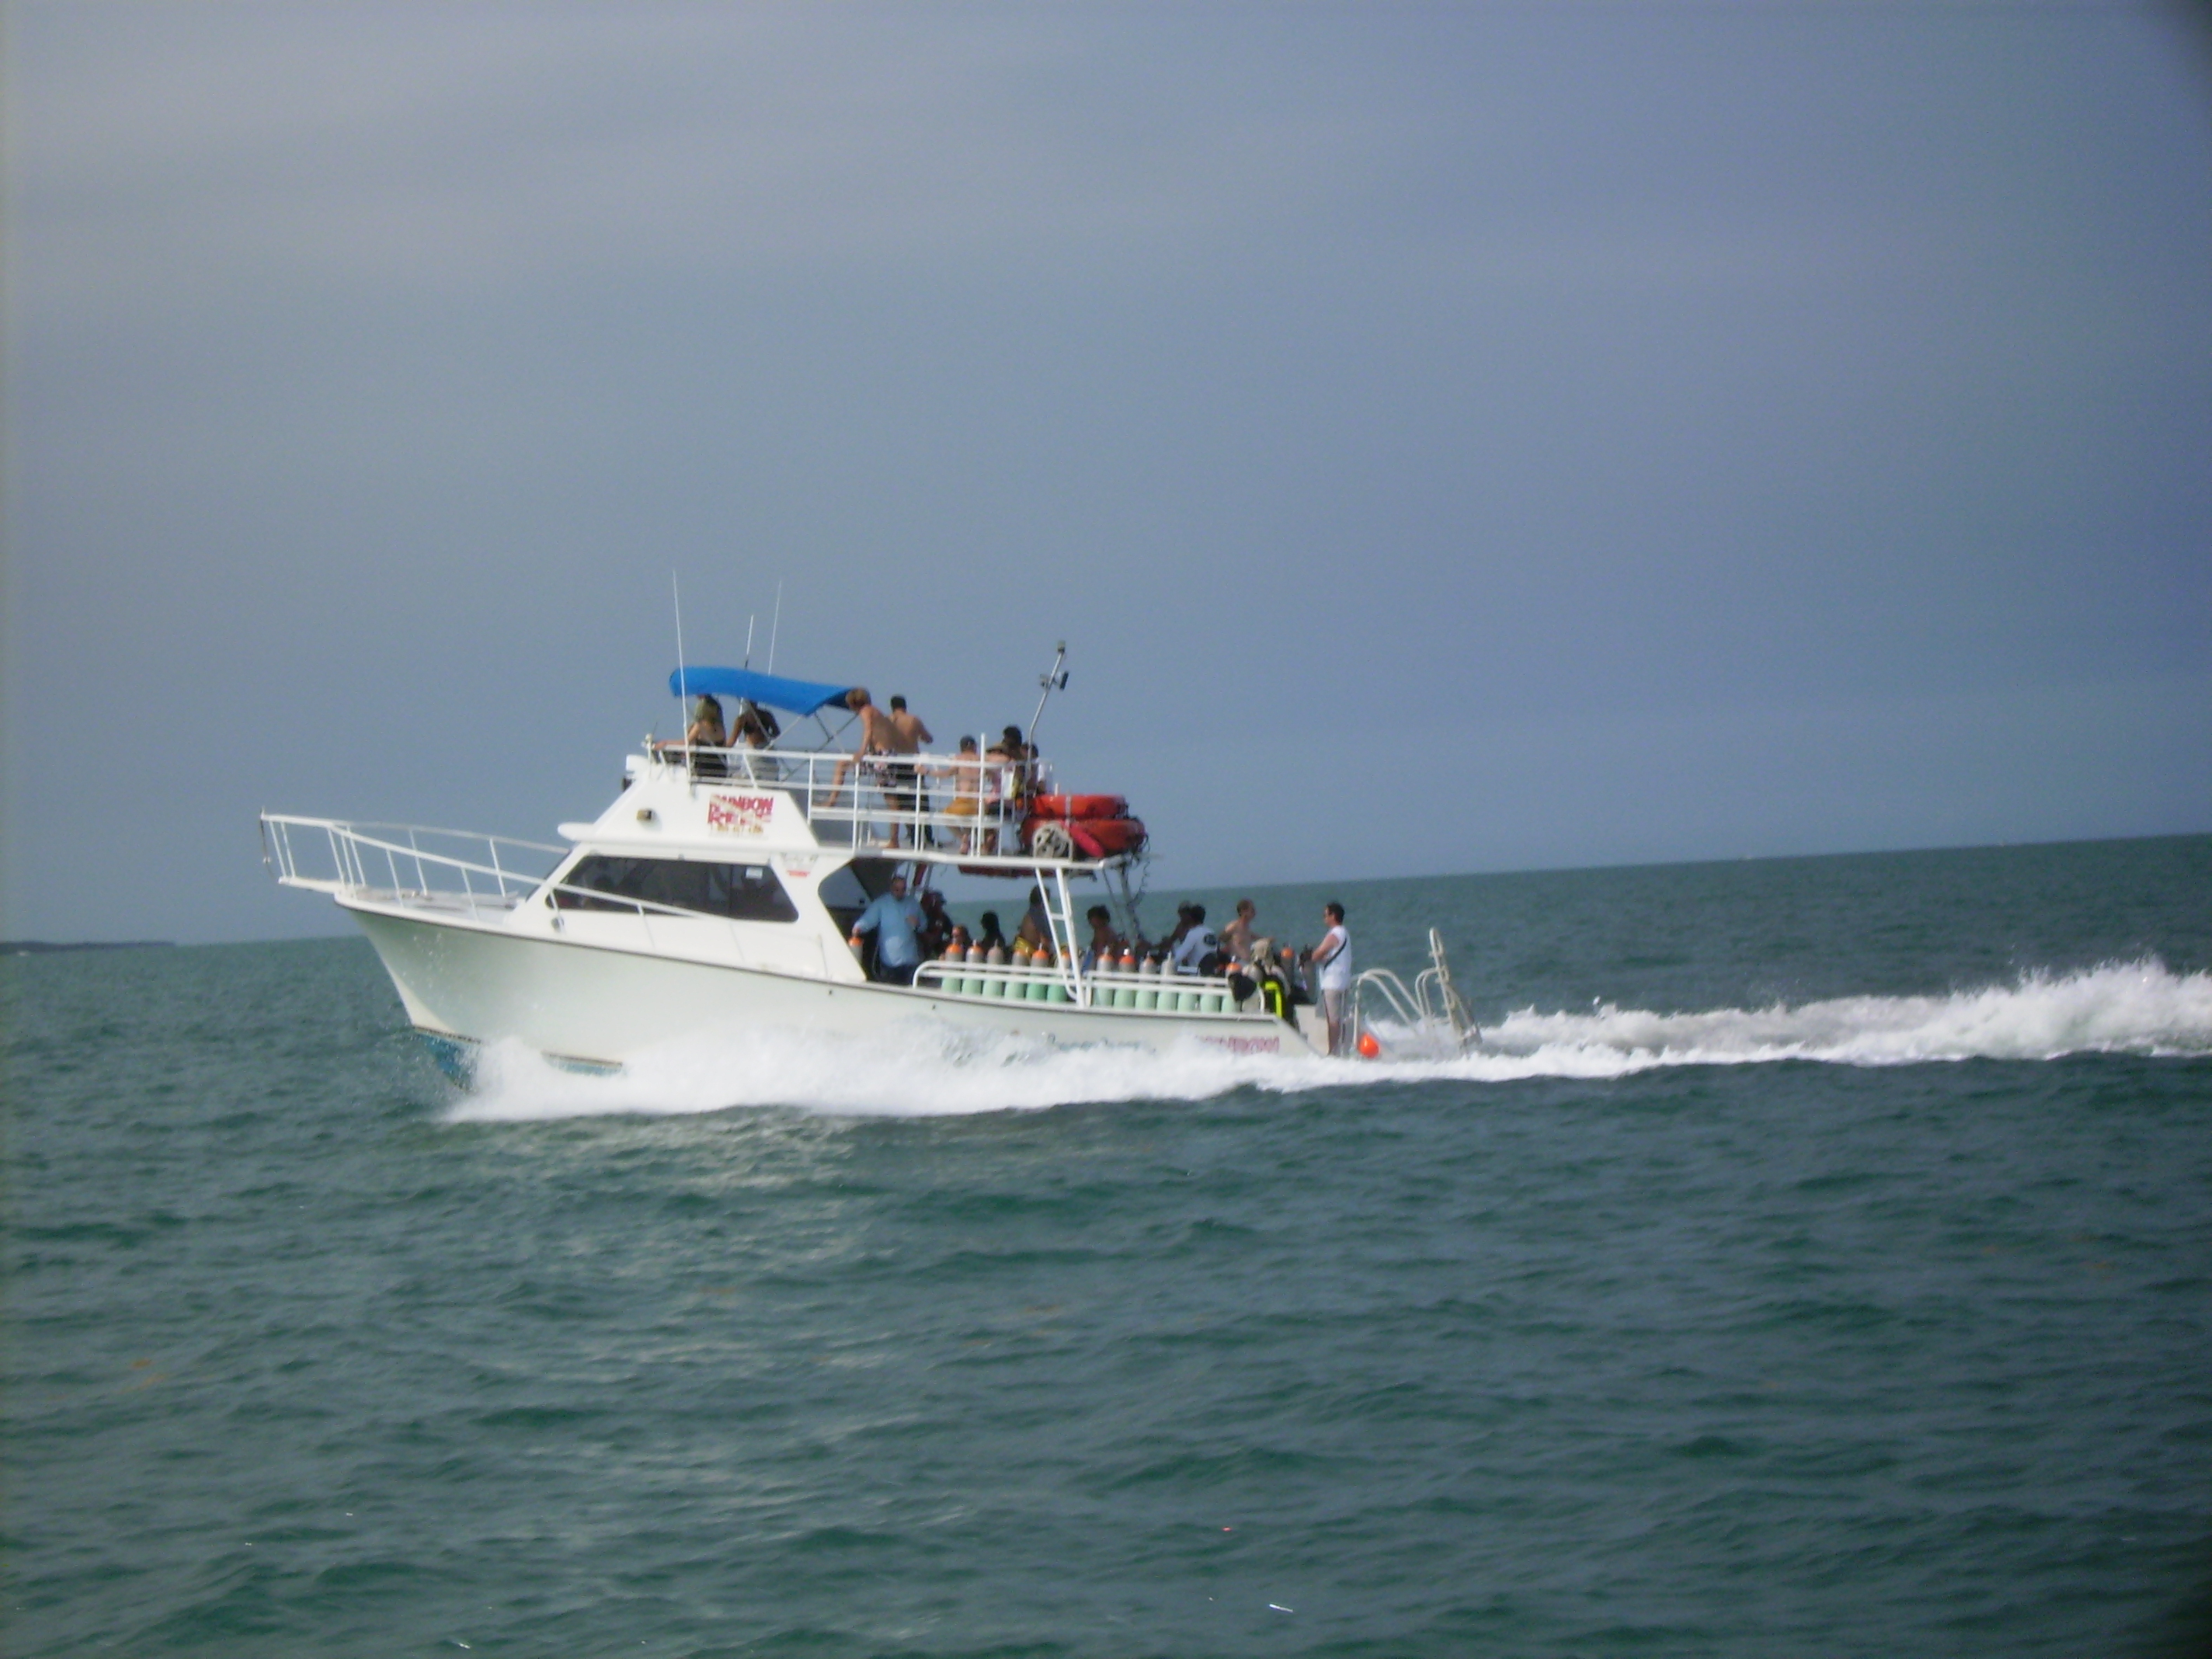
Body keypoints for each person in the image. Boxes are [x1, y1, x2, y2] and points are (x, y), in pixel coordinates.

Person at [847, 872, 923, 986]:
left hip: (910, 962)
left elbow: (924, 925)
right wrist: (858, 927)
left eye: (903, 889)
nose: (900, 893)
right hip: (889, 963)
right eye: (897, 889)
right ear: (891, 888)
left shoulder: (913, 903)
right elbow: (869, 920)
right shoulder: (881, 903)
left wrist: (918, 923)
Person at [1307, 901, 1352, 1055]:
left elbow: (1317, 955)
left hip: (1332, 984)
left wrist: (1313, 955)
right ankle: (1344, 1049)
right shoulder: (1345, 933)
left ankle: (1333, 1052)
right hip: (1344, 982)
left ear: (1333, 916)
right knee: (1341, 1019)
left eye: (1325, 915)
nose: (1324, 919)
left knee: (1333, 1022)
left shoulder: (1334, 934)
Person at [1170, 903, 1218, 976]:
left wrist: (1171, 950)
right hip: (1211, 975)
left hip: (1197, 976)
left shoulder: (1193, 933)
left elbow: (1178, 957)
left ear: (1191, 918)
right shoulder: (1211, 932)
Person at [1080, 905, 1126, 973]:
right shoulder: (1109, 931)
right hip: (1112, 965)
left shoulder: (1102, 932)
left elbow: (1100, 951)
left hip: (1105, 966)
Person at [915, 887, 954, 959]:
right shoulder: (919, 917)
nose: (940, 906)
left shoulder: (942, 917)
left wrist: (946, 944)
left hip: (936, 949)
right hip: (919, 950)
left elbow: (953, 932)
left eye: (940, 904)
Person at [1219, 898, 1259, 962]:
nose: (1254, 912)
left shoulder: (1247, 928)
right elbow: (1221, 939)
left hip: (1247, 963)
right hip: (1237, 964)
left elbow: (1254, 937)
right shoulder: (1233, 926)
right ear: (1244, 911)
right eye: (1252, 910)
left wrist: (1267, 940)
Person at [1016, 885, 1051, 951]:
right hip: (1037, 955)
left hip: (1026, 951)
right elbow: (1044, 942)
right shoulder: (1039, 917)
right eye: (1048, 899)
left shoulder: (1028, 915)